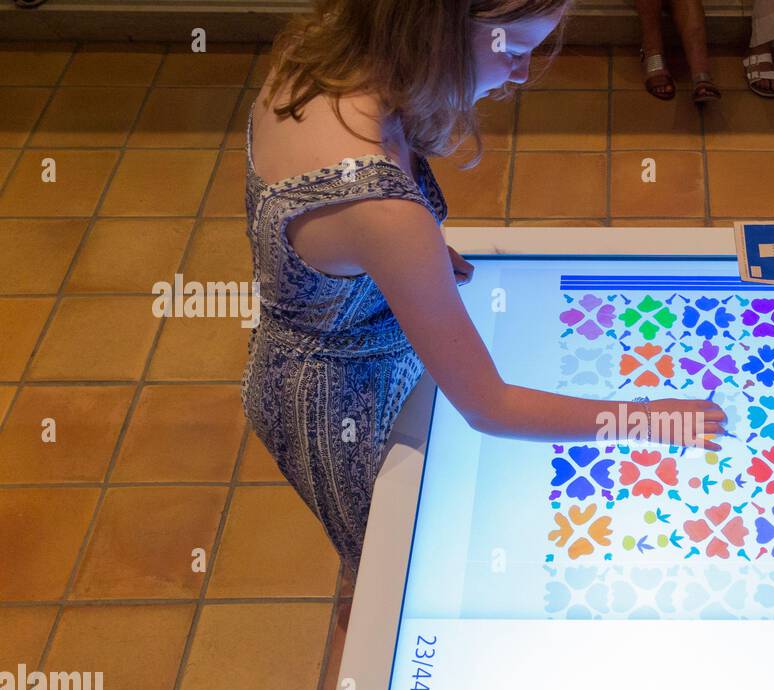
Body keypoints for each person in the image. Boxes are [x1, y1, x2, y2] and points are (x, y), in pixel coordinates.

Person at [243, 0, 726, 573]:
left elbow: (314, 232)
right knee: (385, 573)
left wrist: (394, 262)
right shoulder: (381, 209)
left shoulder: (320, 54)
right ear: (438, 34)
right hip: (339, 409)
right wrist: (648, 418)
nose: (521, 73)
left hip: (302, 354)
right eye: (514, 51)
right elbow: (490, 408)